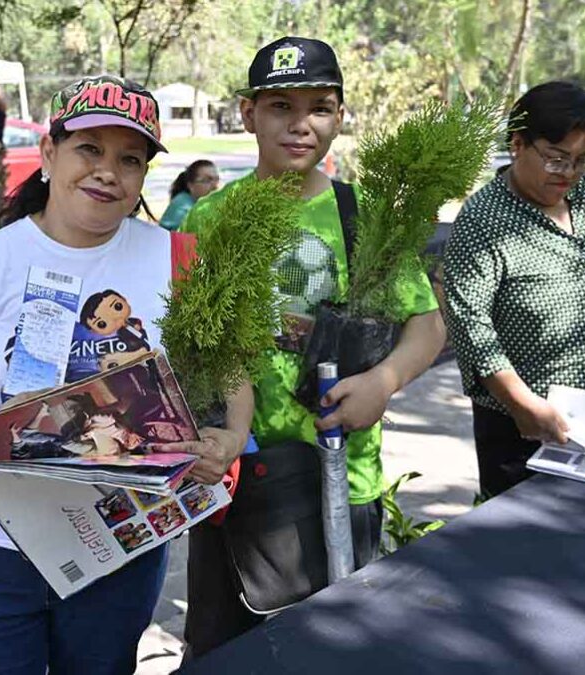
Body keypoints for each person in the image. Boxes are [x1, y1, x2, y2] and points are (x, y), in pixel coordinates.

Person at [0, 74, 252, 675]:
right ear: (49, 155)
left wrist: (227, 438)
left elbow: (230, 374)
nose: (107, 171)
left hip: (117, 541)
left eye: (129, 159)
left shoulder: (178, 257)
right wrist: (15, 439)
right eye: (88, 150)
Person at [179, 36, 446, 658]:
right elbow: (203, 349)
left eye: (320, 108)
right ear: (248, 114)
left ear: (340, 116)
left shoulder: (365, 213)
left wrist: (382, 383)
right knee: (226, 652)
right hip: (238, 481)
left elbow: (426, 327)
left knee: (335, 651)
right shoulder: (209, 220)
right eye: (280, 107)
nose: (301, 125)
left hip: (344, 479)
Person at [443, 81, 585, 498]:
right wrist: (521, 403)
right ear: (518, 144)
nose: (570, 173)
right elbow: (469, 323)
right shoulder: (483, 221)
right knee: (529, 552)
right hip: (521, 430)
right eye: (556, 159)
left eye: (584, 159)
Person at [159, 160, 219, 231]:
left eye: (216, 180)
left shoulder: (201, 203)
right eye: (207, 180)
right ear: (190, 185)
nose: (215, 186)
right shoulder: (183, 207)